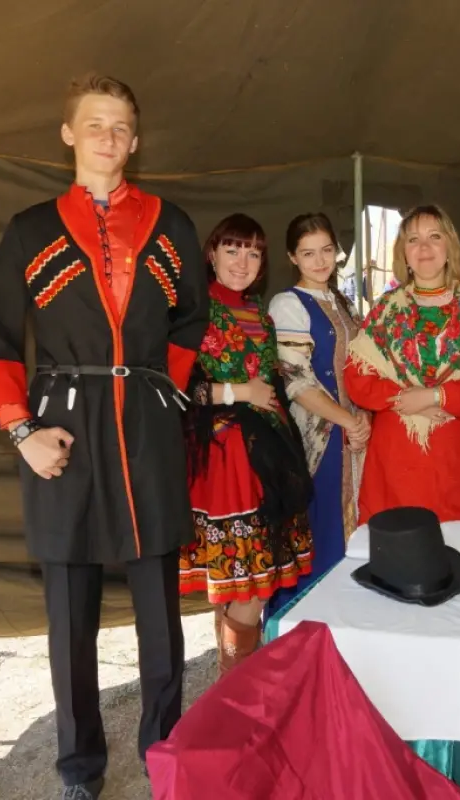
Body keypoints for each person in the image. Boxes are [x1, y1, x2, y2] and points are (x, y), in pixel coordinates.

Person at [0, 74, 209, 799]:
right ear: (69, 134)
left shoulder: (171, 224)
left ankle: (164, 753)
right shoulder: (30, 229)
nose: (109, 137)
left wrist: (162, 393)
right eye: (95, 124)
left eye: (121, 127)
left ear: (135, 142)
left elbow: (191, 318)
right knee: (69, 615)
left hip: (144, 424)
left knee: (159, 610)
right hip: (61, 424)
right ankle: (79, 768)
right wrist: (22, 431)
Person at [181, 214, 314, 674]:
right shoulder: (193, 309)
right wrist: (239, 392)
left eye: (253, 252)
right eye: (233, 250)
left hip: (267, 457)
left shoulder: (259, 313)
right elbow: (175, 389)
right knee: (249, 586)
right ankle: (236, 687)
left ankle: (231, 687)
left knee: (245, 585)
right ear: (212, 253)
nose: (242, 261)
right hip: (224, 464)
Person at [345, 204, 460, 546]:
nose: (424, 248)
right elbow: (357, 377)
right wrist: (408, 399)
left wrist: (437, 396)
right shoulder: (386, 309)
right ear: (403, 253)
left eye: (434, 236)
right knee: (394, 553)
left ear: (450, 246)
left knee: (451, 552)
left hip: (451, 455)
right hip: (396, 458)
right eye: (413, 239)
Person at [267, 212, 369, 611]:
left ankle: (342, 626)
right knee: (321, 531)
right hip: (318, 438)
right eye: (308, 253)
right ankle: (302, 627)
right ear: (292, 257)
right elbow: (296, 381)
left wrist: (363, 419)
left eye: (327, 250)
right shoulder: (288, 304)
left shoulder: (342, 301)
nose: (320, 260)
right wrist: (348, 421)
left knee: (351, 532)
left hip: (353, 435)